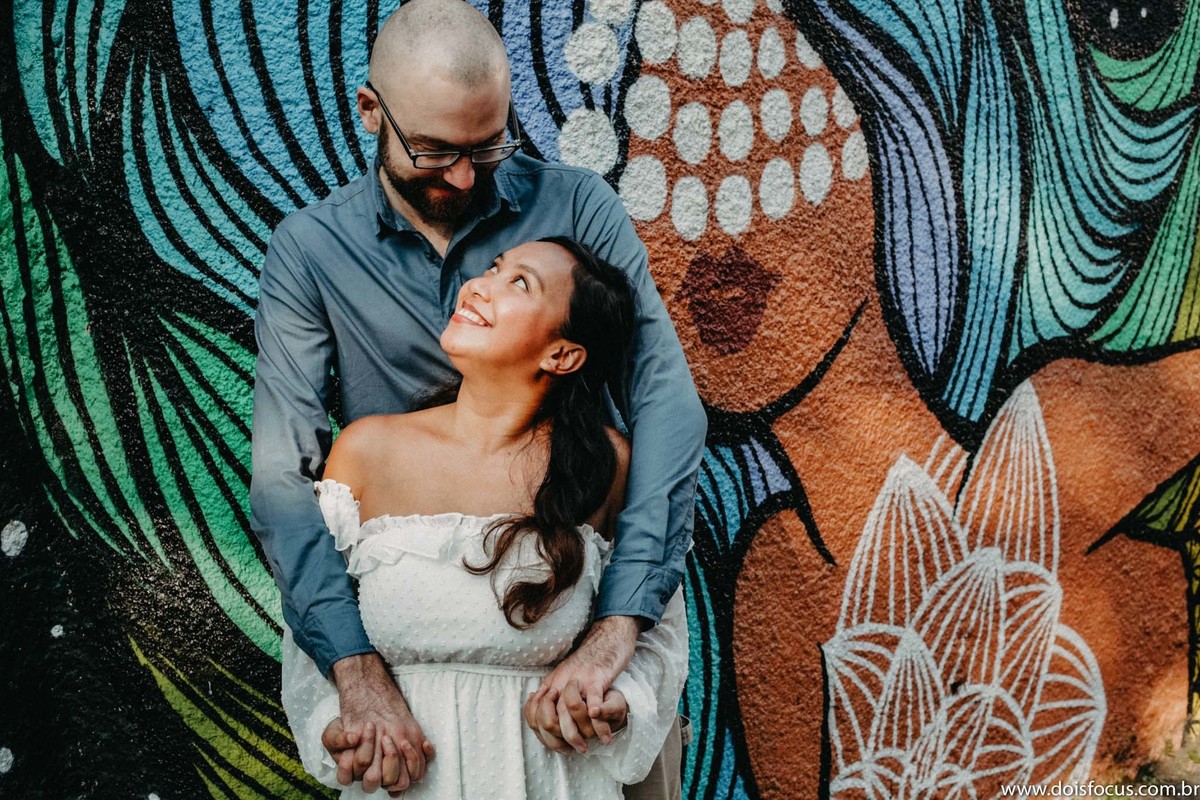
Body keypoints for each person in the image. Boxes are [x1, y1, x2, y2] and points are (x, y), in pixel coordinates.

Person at [250, 0, 706, 795]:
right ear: (371, 112)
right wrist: (355, 672)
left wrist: (615, 632)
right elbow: (283, 480)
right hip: (413, 701)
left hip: (580, 678)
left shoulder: (574, 209)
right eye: (434, 152)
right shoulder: (311, 252)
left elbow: (668, 403)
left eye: (486, 146)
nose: (464, 177)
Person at [280, 238, 688, 799]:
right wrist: (339, 720)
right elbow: (310, 620)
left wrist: (619, 704)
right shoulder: (367, 450)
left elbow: (656, 630)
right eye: (495, 269)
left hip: (556, 782)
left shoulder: (603, 466)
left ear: (562, 355)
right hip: (407, 784)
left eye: (520, 283)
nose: (479, 285)